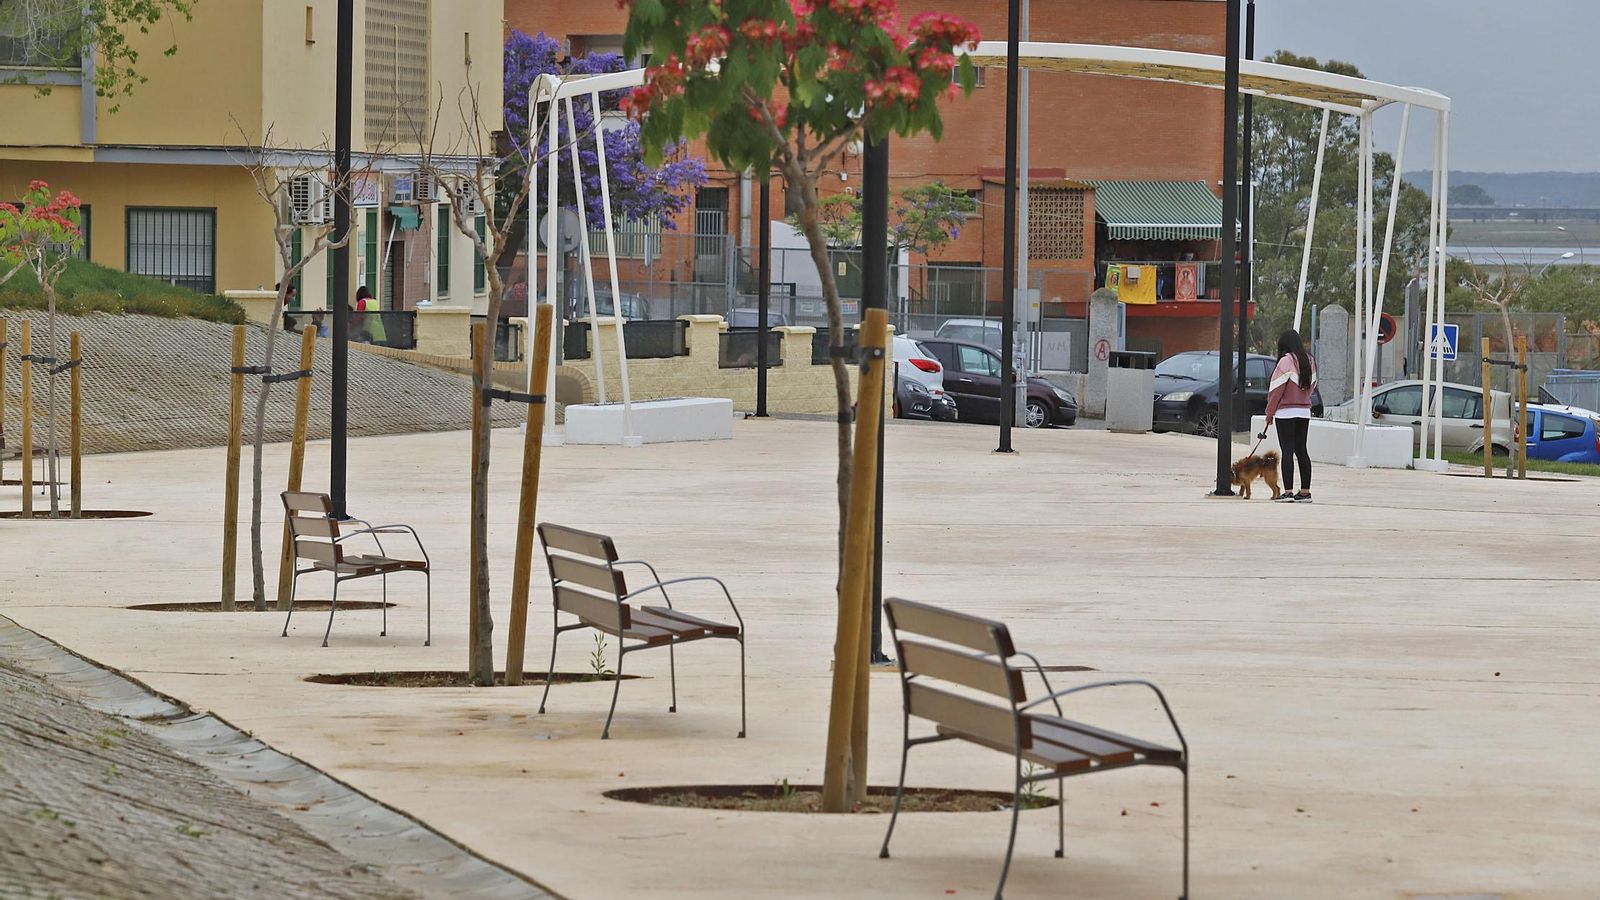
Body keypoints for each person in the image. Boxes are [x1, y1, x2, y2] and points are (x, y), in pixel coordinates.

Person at [1264, 329, 1317, 502]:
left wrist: (1269, 413)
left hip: (1285, 412)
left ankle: (1287, 492)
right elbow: (1313, 385)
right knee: (1302, 450)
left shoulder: (1285, 361)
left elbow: (1276, 391)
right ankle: (1305, 492)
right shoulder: (1310, 360)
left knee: (1287, 451)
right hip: (1304, 412)